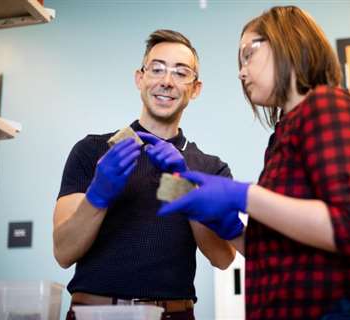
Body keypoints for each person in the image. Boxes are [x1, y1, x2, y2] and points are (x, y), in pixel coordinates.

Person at [153, 6, 350, 320]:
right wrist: (230, 229)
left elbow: (347, 229)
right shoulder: (283, 134)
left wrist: (242, 195)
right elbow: (279, 254)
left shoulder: (328, 105)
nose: (241, 72)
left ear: (288, 43)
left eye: (248, 54)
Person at [53, 29, 236, 320]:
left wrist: (185, 188)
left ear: (196, 88)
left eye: (180, 72)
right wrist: (98, 195)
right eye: (157, 69)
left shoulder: (210, 168)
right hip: (94, 313)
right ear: (140, 78)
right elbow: (63, 252)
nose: (166, 81)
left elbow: (223, 258)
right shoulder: (93, 150)